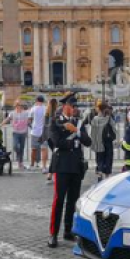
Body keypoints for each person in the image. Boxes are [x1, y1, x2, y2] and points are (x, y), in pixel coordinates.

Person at [48, 93, 92, 247]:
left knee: (72, 201)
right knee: (58, 200)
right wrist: (72, 142)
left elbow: (88, 141)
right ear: (65, 106)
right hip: (62, 166)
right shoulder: (55, 121)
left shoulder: (79, 123)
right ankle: (53, 233)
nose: (74, 109)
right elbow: (56, 142)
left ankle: (68, 231)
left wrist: (77, 132)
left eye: (75, 106)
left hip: (76, 166)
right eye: (72, 106)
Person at [89, 101, 116, 181]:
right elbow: (114, 129)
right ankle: (107, 177)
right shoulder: (109, 117)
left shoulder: (96, 118)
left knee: (100, 159)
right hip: (108, 141)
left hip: (99, 141)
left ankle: (100, 176)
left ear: (99, 109)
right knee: (108, 159)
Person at [3, 100, 31, 170]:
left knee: (21, 148)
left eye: (20, 105)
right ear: (15, 106)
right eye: (17, 105)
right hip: (15, 132)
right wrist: (0, 125)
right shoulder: (12, 113)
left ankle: (20, 163)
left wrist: (30, 123)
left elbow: (29, 120)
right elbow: (7, 119)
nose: (19, 106)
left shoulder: (26, 113)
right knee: (15, 146)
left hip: (23, 133)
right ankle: (19, 158)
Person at [27, 96, 47, 170]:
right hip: (43, 132)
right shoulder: (45, 108)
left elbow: (28, 121)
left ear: (36, 101)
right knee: (44, 149)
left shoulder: (33, 108)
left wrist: (32, 127)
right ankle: (44, 167)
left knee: (33, 149)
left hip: (34, 131)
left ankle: (32, 165)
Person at [42, 98, 59, 181]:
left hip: (48, 137)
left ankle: (52, 172)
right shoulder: (56, 114)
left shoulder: (47, 114)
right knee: (55, 154)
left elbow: (44, 126)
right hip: (55, 137)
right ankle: (51, 172)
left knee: (55, 154)